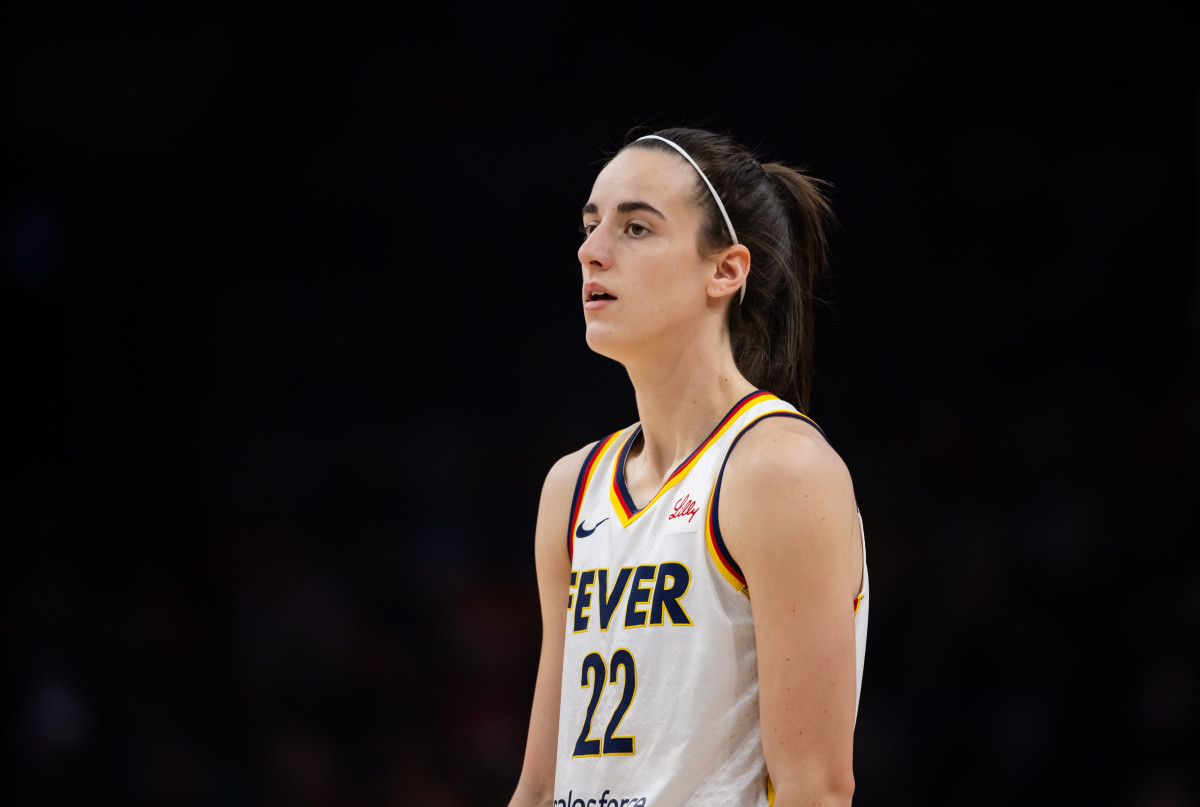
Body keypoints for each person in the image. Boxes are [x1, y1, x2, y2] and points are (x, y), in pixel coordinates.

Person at [508, 127, 868, 807]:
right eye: (590, 227)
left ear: (726, 270)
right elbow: (540, 784)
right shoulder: (572, 487)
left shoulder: (778, 469)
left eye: (636, 227)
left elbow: (815, 788)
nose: (591, 252)